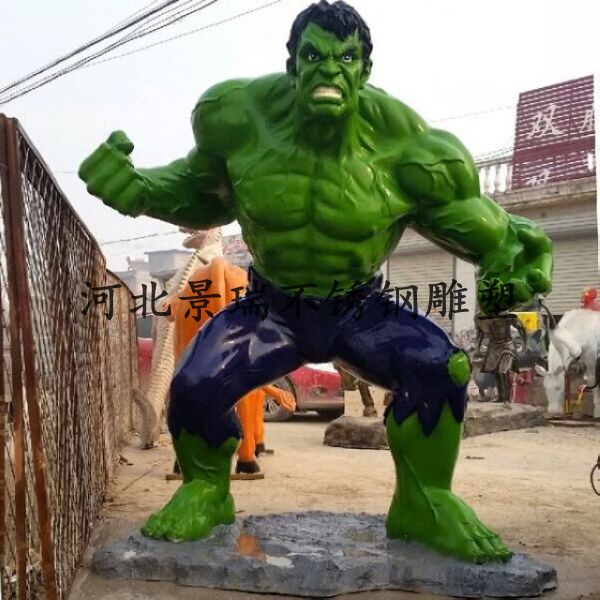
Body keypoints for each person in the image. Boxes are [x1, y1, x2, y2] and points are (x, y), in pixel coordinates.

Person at [79, 1, 552, 562]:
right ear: (294, 63)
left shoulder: (411, 152)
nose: (329, 69)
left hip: (359, 309)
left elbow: (492, 236)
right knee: (196, 381)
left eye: (345, 58)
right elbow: (199, 190)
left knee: (439, 366)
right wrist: (137, 188)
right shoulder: (238, 119)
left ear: (364, 69)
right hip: (271, 309)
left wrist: (511, 265)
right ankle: (205, 491)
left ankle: (425, 503)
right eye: (314, 56)